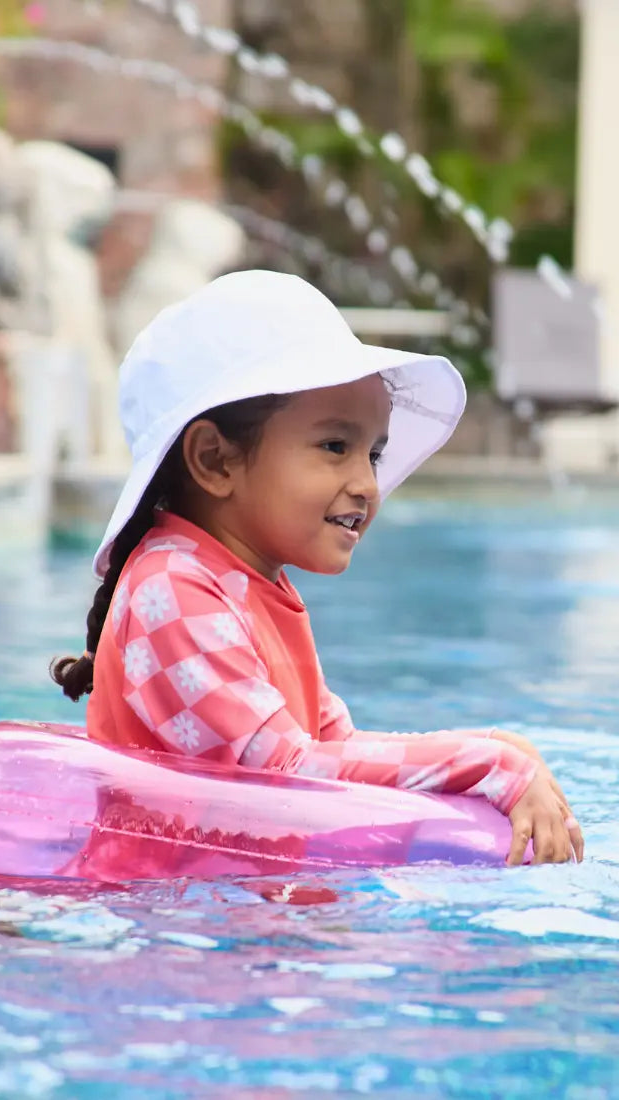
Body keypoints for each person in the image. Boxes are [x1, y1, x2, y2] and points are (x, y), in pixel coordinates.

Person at [51, 270, 583, 865]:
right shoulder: (173, 589)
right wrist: (487, 766)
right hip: (168, 911)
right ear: (215, 459)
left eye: (373, 453)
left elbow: (336, 747)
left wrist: (492, 746)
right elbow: (285, 777)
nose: (367, 484)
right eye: (335, 446)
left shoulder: (252, 588)